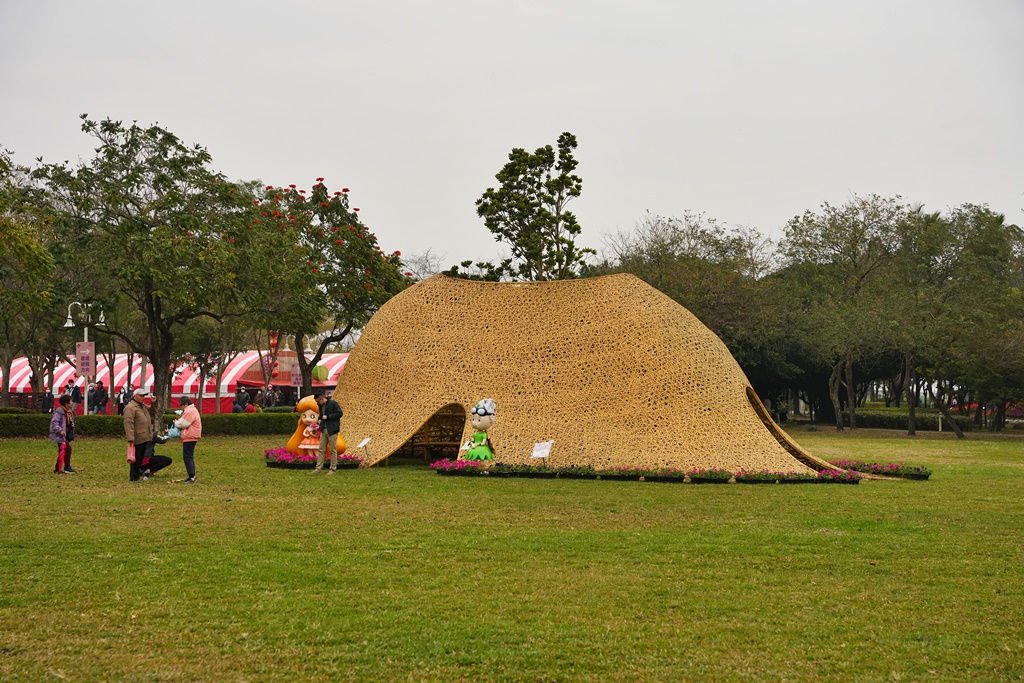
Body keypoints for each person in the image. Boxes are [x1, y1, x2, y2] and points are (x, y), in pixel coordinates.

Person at [123, 388, 153, 482]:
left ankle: (136, 476)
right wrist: (130, 438)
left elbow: (153, 412)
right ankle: (133, 477)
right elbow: (128, 423)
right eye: (141, 395)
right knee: (135, 459)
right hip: (137, 437)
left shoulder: (142, 406)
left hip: (144, 436)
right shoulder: (130, 407)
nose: (143, 397)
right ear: (135, 396)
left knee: (140, 458)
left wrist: (154, 403)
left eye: (144, 395)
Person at [314, 390, 345, 474]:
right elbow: (321, 415)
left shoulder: (333, 404)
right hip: (323, 429)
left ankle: (333, 469)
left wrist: (328, 417)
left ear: (321, 399)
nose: (318, 403)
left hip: (332, 429)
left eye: (318, 401)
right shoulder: (320, 406)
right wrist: (320, 419)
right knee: (321, 449)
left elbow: (339, 413)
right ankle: (318, 468)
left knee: (333, 450)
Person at [173, 396, 202, 483]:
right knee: (189, 456)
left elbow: (183, 424)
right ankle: (191, 476)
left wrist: (176, 422)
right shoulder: (191, 410)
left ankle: (192, 477)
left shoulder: (189, 411)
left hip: (190, 436)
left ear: (185, 404)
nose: (181, 406)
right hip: (191, 436)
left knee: (188, 457)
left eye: (181, 404)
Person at [48, 395, 77, 474]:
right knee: (67, 449)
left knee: (62, 451)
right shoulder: (59, 412)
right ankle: (66, 467)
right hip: (60, 435)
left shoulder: (68, 411)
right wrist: (60, 431)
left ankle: (58, 468)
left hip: (65, 434)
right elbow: (54, 423)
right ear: (66, 403)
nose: (72, 403)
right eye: (70, 401)